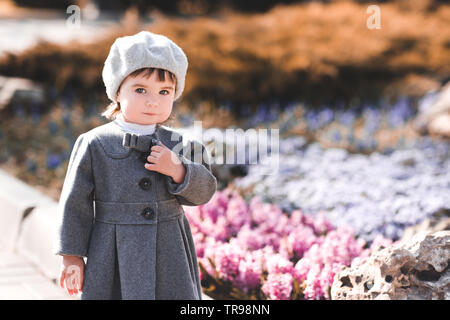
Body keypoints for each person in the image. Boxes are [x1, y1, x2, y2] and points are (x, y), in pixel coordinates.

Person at [54, 31, 217, 300]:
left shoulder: (180, 144)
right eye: (140, 89)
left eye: (164, 91)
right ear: (117, 91)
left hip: (169, 250)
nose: (153, 100)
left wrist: (178, 169)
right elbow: (75, 203)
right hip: (112, 249)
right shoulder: (95, 143)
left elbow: (205, 191)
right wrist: (71, 257)